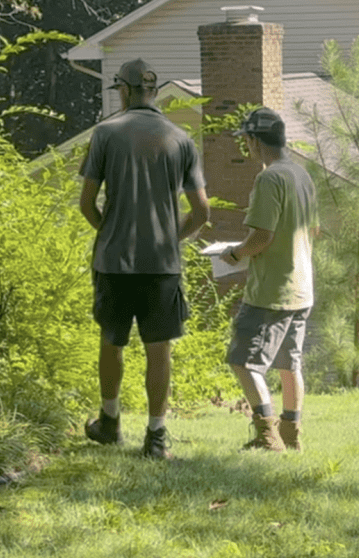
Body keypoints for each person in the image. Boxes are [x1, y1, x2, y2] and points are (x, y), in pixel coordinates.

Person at [79, 58, 210, 459]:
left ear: (123, 90)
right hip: (162, 264)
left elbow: (86, 204)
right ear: (153, 91)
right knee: (159, 348)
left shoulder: (105, 134)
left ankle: (110, 421)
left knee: (111, 340)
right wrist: (173, 238)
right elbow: (202, 212)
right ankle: (155, 437)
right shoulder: (180, 139)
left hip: (114, 261)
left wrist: (110, 230)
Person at [222, 108, 318, 452]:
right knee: (289, 364)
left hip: (271, 291)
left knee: (243, 360)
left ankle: (267, 435)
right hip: (302, 288)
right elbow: (314, 230)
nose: (245, 147)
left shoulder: (269, 178)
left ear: (253, 141)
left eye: (245, 141)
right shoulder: (301, 175)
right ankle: (292, 434)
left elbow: (262, 236)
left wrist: (235, 253)